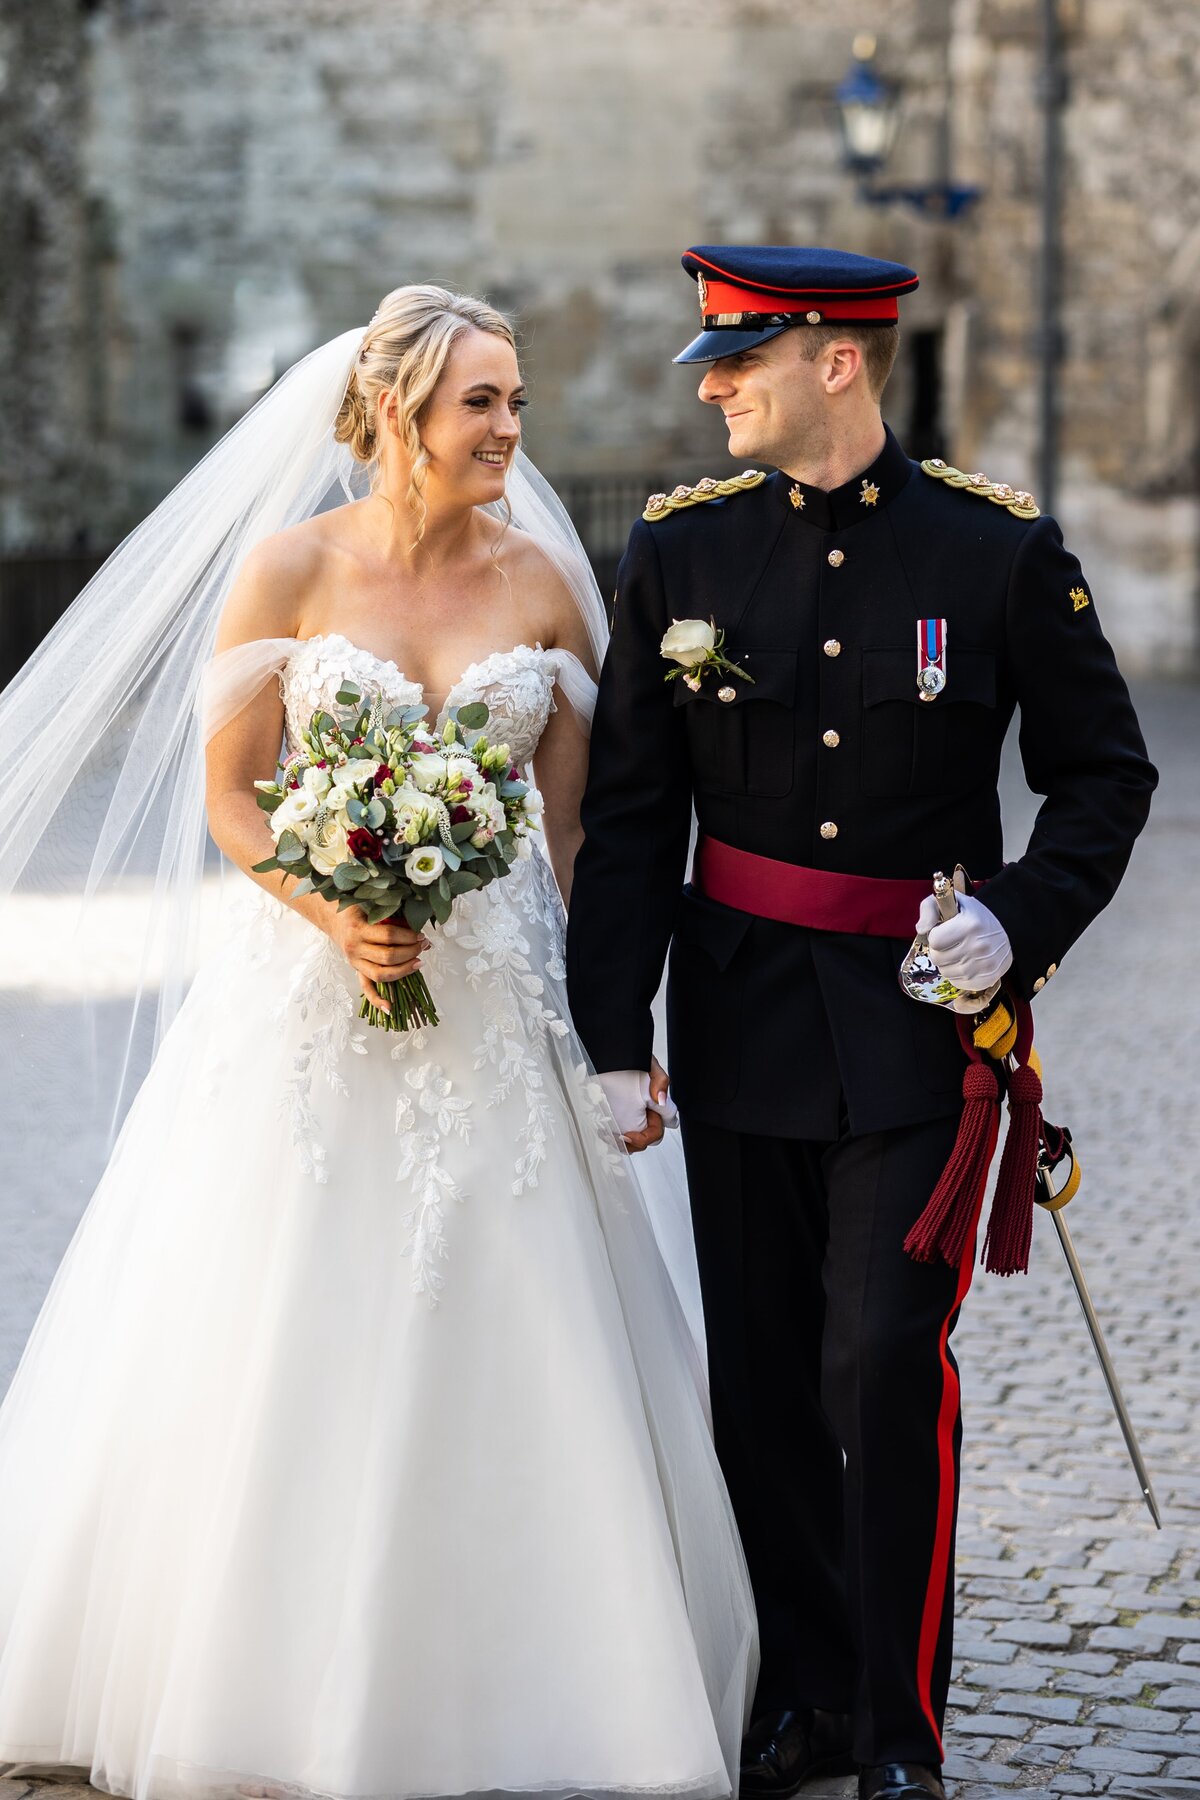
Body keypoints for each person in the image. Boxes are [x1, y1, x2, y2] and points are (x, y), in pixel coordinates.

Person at [0, 286, 756, 1800]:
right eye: (484, 403)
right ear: (396, 411)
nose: (511, 432)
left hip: (496, 1006)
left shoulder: (545, 583)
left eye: (518, 403)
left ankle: (537, 1674)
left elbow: (581, 836)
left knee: (516, 1304)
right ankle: (255, 1675)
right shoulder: (287, 571)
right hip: (309, 997)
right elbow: (233, 797)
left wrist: (610, 1035)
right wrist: (331, 908)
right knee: (271, 1307)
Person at [566, 245, 1157, 1800]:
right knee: (762, 1386)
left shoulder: (996, 554)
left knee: (883, 1365)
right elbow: (632, 818)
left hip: (920, 1033)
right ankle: (810, 1696)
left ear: (837, 361)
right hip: (744, 1017)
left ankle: (904, 1731)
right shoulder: (683, 555)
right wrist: (612, 1034)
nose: (709, 388)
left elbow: (1110, 776)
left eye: (738, 361)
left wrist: (1018, 924)